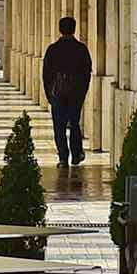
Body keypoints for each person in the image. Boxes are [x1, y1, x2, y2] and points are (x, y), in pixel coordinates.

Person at [42, 15, 93, 166]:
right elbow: (86, 72)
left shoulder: (53, 49)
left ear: (60, 29)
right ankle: (76, 155)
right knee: (75, 124)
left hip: (58, 93)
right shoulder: (81, 49)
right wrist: (82, 92)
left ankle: (63, 157)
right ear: (74, 29)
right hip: (75, 93)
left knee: (59, 126)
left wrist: (50, 94)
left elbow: (46, 74)